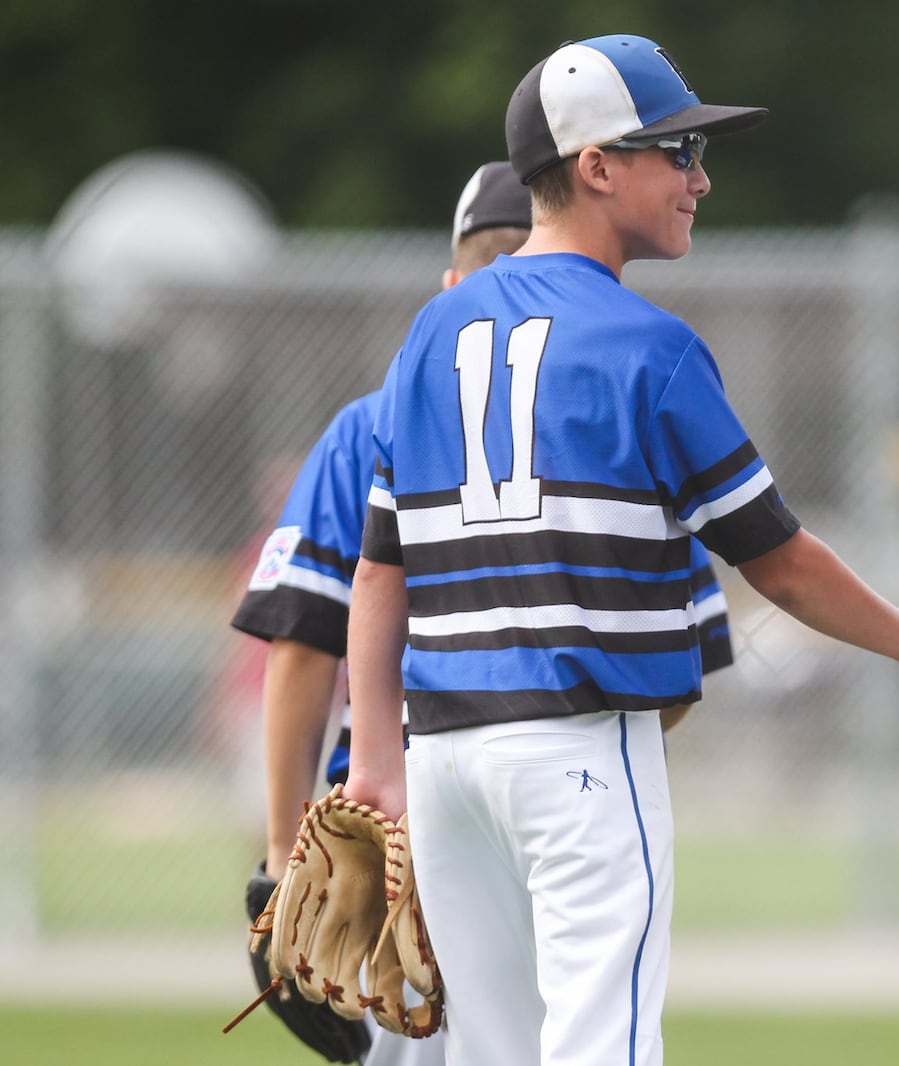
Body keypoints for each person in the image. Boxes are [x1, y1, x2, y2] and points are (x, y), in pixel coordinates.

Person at [340, 33, 899, 1066]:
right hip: (576, 751)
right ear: (594, 165)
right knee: (604, 1046)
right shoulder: (649, 347)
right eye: (674, 152)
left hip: (442, 753)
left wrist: (376, 758)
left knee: (490, 1052)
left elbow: (379, 569)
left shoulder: (428, 334)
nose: (699, 177)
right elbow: (779, 561)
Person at [231, 158, 737, 1063]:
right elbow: (677, 673)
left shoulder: (374, 421)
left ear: (455, 286)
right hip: (564, 802)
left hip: (396, 821)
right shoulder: (621, 386)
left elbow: (304, 644)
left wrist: (280, 860)